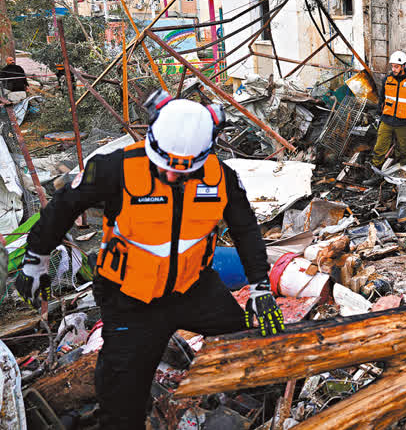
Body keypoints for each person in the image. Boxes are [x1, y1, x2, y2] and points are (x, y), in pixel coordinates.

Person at [16, 90, 284, 429]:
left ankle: (258, 410)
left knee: (246, 346)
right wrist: (35, 261)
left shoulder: (222, 178)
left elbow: (245, 229)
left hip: (194, 288)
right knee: (122, 400)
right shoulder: (114, 169)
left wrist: (260, 286)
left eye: (183, 172)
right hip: (130, 297)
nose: (171, 176)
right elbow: (62, 208)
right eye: (164, 166)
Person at [371, 51, 406, 171]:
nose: (394, 69)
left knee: (402, 149)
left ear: (403, 66)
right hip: (386, 120)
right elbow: (381, 100)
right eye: (392, 66)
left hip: (403, 122)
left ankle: (401, 169)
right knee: (379, 147)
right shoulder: (387, 80)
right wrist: (377, 116)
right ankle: (375, 169)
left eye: (396, 66)